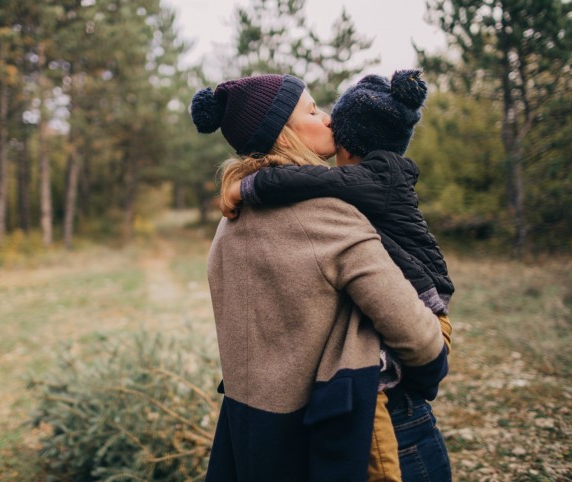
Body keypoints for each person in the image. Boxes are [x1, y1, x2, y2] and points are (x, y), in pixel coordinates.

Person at [191, 73, 449, 481]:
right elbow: (421, 340)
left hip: (267, 441)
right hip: (365, 433)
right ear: (284, 133)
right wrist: (427, 376)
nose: (329, 119)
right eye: (313, 110)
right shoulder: (329, 215)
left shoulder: (230, 222)